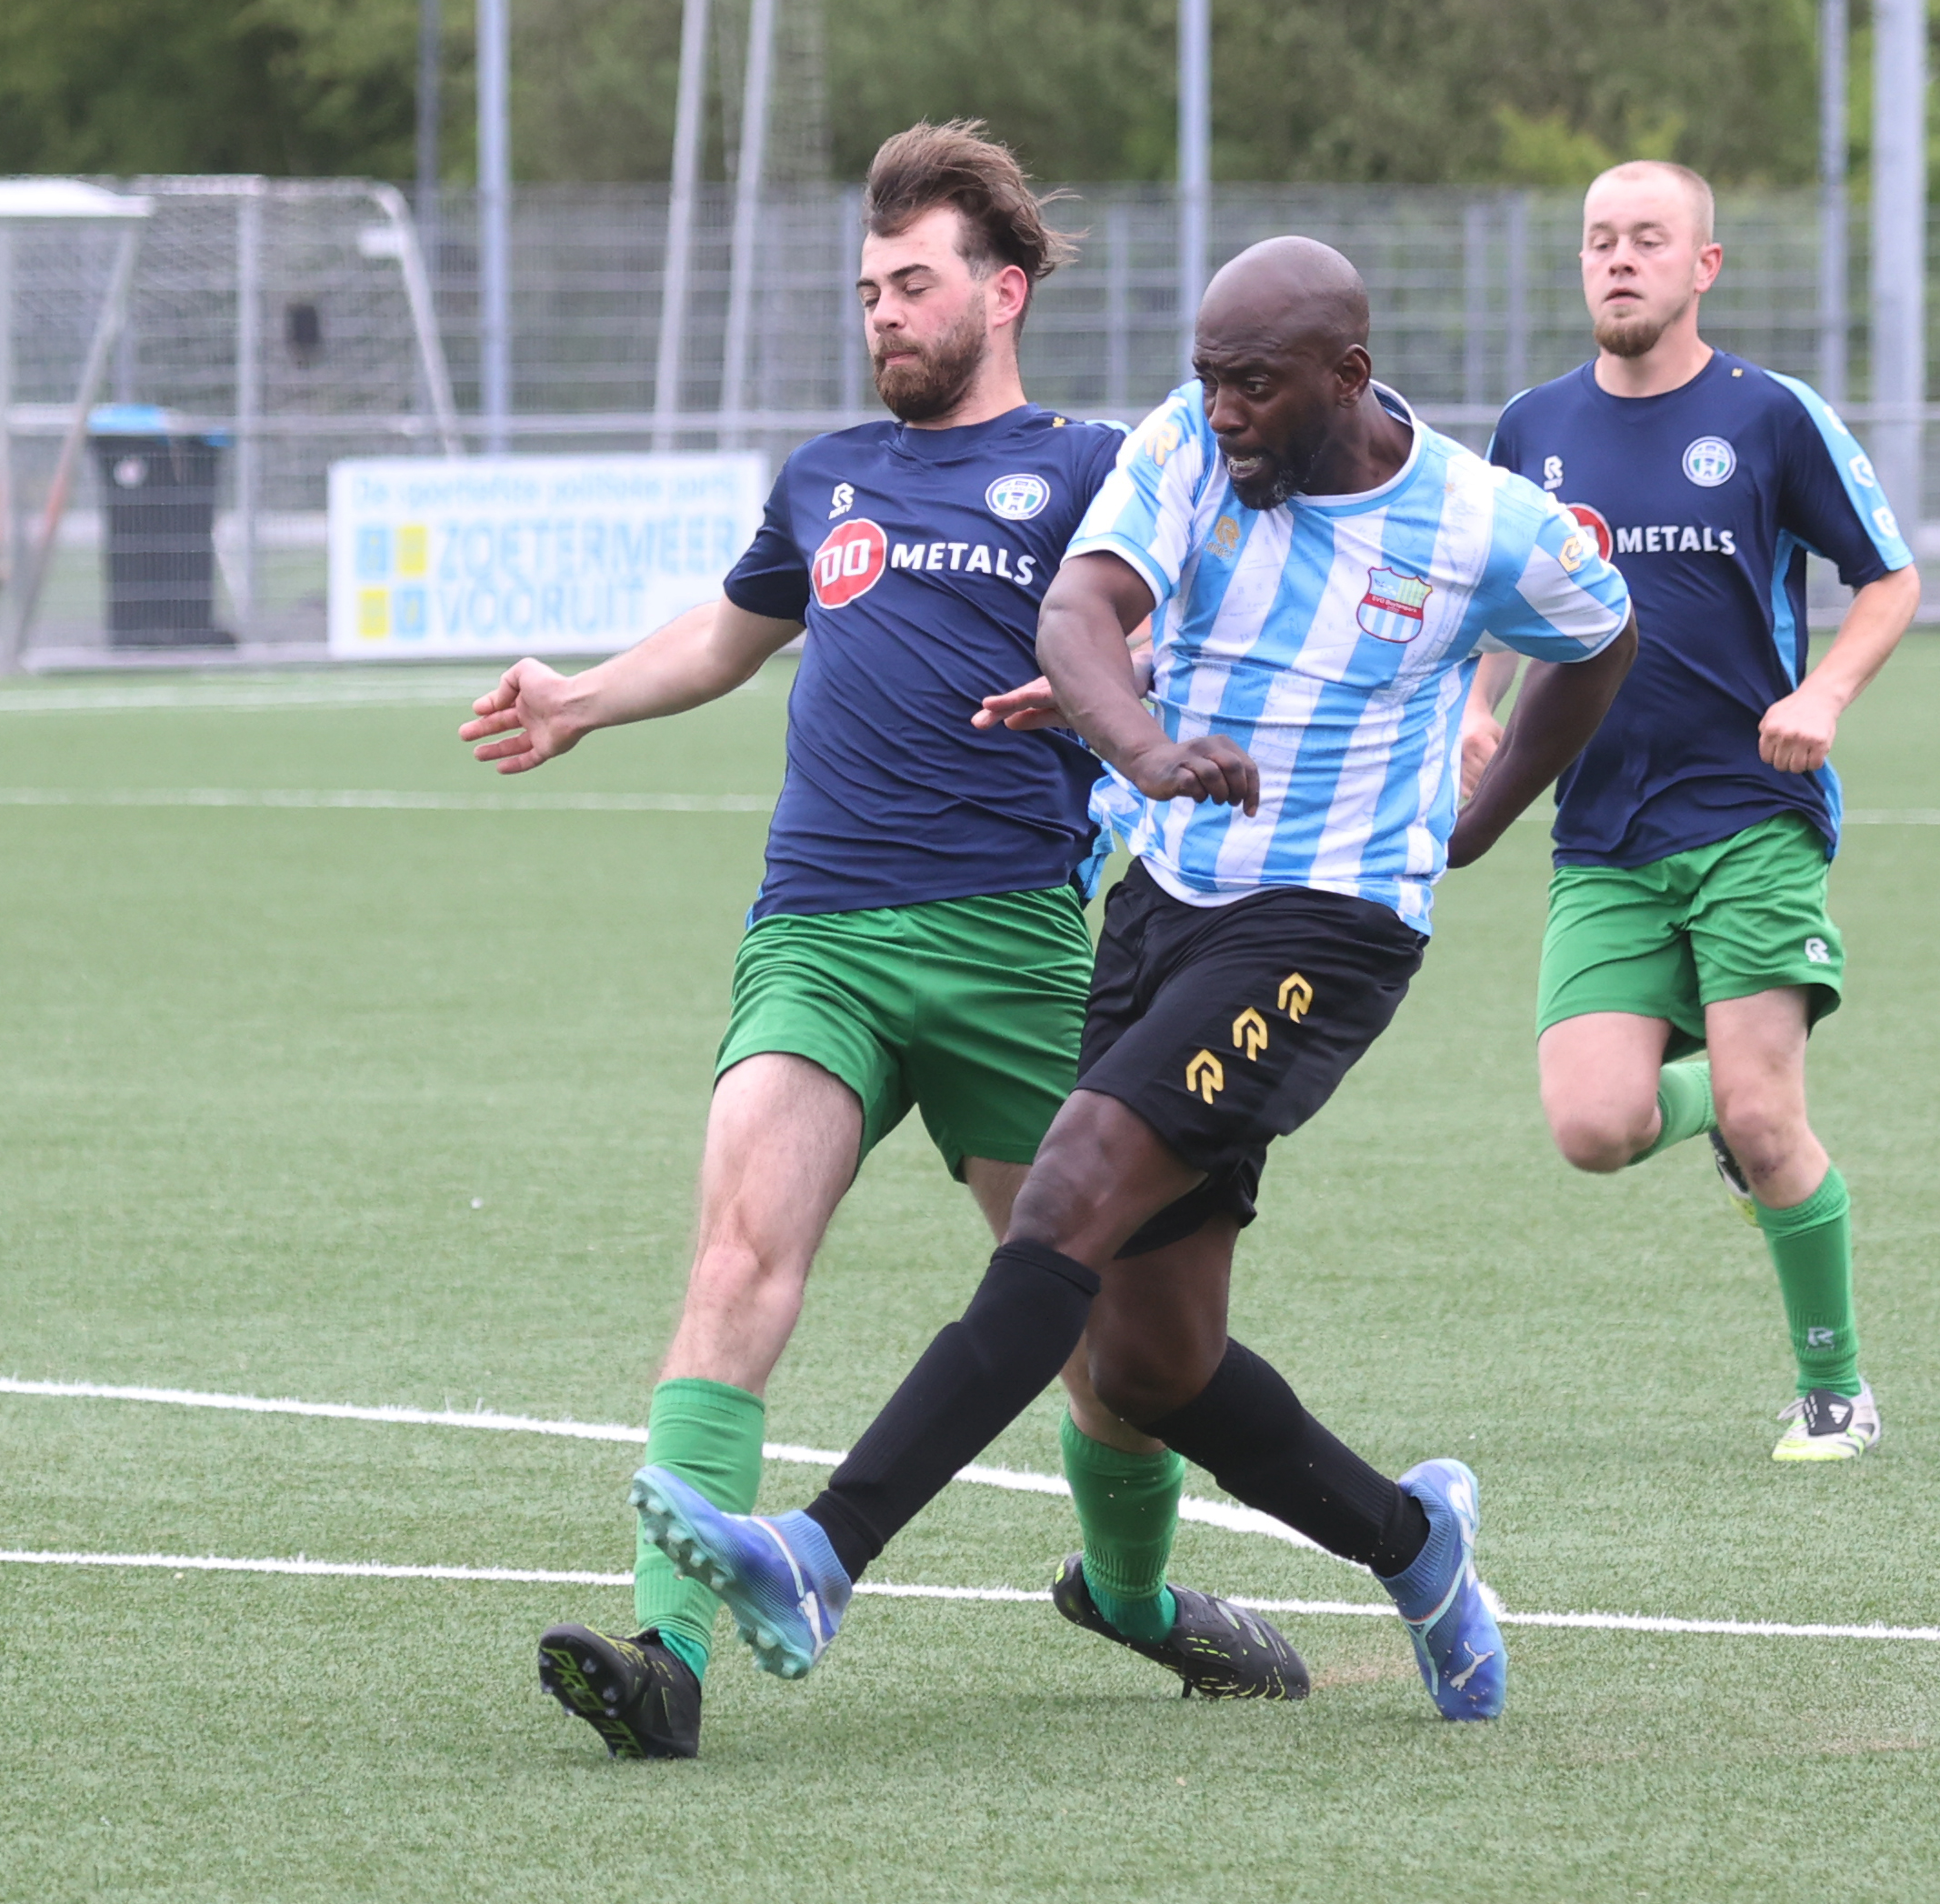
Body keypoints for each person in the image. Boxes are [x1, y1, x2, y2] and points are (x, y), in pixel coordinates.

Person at [625, 236, 1640, 1726]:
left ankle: (822, 1549)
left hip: (1328, 924)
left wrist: (1477, 823)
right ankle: (1419, 1549)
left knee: (1069, 1190)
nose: (1220, 411)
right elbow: (1076, 617)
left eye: (1253, 385)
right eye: (1208, 378)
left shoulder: (1487, 525)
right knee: (1153, 1360)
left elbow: (1601, 640)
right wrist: (1145, 745)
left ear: (1348, 379)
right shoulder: (1183, 443)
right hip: (1163, 902)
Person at [469, 123, 1309, 1763]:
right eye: (869, 291)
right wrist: (582, 691)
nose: (884, 315)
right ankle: (668, 1654)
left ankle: (1133, 1597)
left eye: (912, 286)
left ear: (1000, 294)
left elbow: (1206, 631)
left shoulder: (1089, 470)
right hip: (820, 938)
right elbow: (731, 630)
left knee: (1118, 1344)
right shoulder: (827, 473)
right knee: (736, 1259)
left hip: (1015, 946)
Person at [1466, 162, 1920, 1464]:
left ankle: (1834, 1388)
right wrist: (1473, 706)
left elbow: (1887, 580)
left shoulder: (1769, 415)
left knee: (1769, 1112)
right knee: (1592, 1125)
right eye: (1599, 240)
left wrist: (1825, 691)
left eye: (1647, 239)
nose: (1619, 259)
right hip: (1598, 831)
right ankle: (1713, 1101)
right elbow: (1486, 592)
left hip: (1750, 809)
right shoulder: (1531, 426)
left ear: (1701, 266)